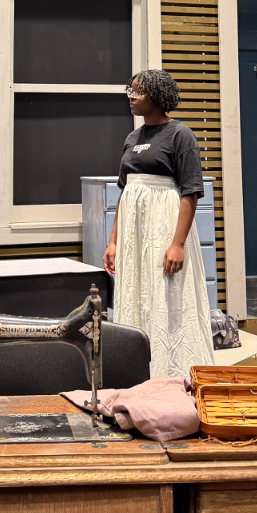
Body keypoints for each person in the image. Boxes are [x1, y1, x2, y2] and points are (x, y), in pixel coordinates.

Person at [103, 69, 213, 378]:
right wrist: (113, 240)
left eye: (138, 92)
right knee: (136, 290)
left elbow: (191, 192)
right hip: (133, 232)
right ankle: (135, 370)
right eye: (131, 90)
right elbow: (125, 191)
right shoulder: (132, 138)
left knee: (166, 291)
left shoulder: (181, 135)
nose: (131, 97)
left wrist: (177, 243)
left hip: (163, 225)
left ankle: (172, 371)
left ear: (156, 97)